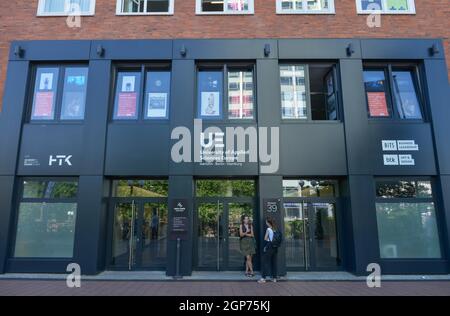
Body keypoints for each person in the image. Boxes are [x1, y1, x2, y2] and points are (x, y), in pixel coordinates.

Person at [258, 217, 279, 283]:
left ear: (268, 223)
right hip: (275, 247)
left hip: (269, 247)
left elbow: (265, 238)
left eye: (266, 222)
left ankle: (263, 278)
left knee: (265, 262)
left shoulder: (268, 229)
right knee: (274, 263)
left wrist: (266, 246)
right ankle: (274, 278)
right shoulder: (276, 229)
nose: (266, 223)